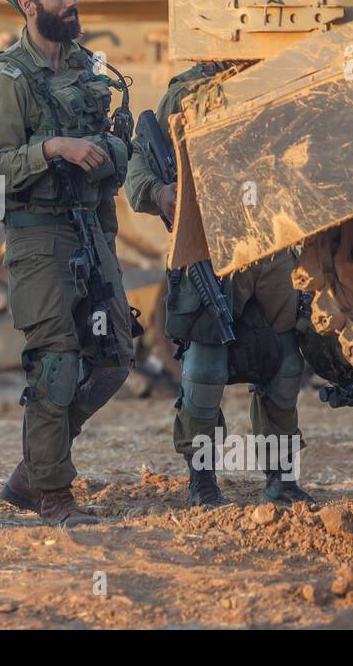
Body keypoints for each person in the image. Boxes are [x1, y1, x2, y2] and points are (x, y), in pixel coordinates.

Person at [0, 0, 135, 528]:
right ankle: (53, 494)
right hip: (38, 237)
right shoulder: (5, 81)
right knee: (56, 368)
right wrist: (52, 149)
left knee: (115, 359)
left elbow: (119, 150)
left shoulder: (87, 70)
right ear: (28, 4)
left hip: (92, 229)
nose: (71, 1)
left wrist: (103, 154)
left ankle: (31, 469)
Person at [125, 63, 312, 507]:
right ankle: (203, 479)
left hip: (271, 245)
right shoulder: (188, 93)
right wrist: (160, 193)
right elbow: (138, 171)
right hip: (209, 248)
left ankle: (282, 479)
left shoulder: (288, 72)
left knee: (284, 368)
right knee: (204, 373)